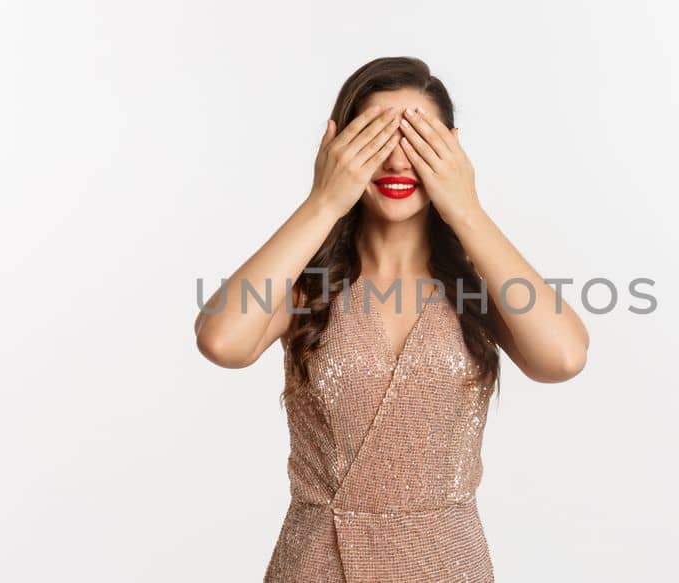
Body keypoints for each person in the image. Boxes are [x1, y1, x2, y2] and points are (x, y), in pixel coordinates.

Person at [194, 56, 590, 583]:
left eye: (418, 138)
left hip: (448, 562)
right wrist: (322, 201)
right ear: (339, 147)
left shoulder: (479, 279)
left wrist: (466, 208)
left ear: (452, 149)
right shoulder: (305, 279)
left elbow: (563, 358)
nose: (399, 162)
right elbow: (222, 341)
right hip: (317, 562)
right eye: (377, 136)